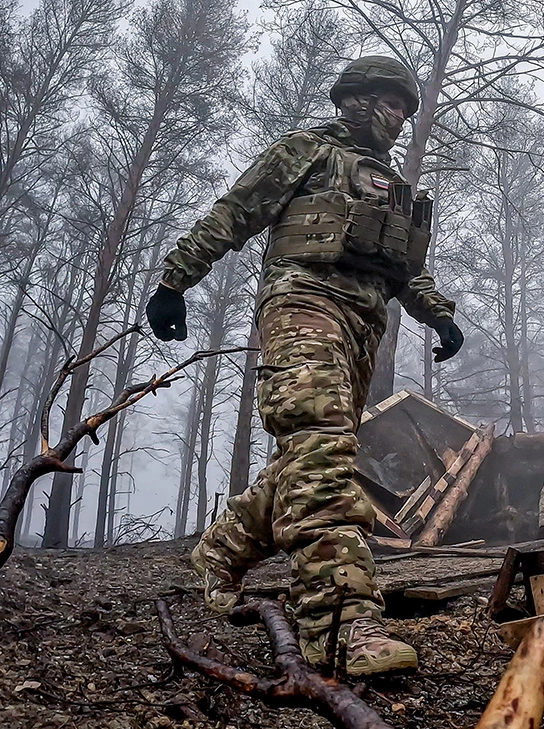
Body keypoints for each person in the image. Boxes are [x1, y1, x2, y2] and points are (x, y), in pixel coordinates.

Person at [144, 56, 463, 675]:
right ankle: (340, 622)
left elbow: (401, 267)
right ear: (357, 100)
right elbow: (235, 212)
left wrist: (436, 312)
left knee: (312, 455)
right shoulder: (306, 153)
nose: (398, 118)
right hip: (302, 303)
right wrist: (174, 281)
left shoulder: (390, 184)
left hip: (363, 327)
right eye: (390, 103)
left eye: (405, 107)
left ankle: (221, 549)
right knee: (319, 446)